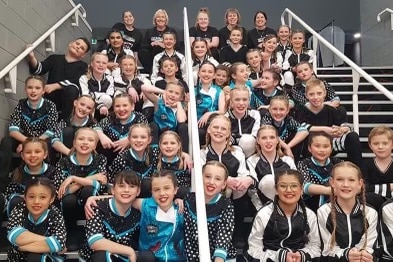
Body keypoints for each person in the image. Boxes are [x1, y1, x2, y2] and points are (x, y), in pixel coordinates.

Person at [201, 115, 256, 247]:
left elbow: (243, 173)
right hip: (210, 193)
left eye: (223, 129)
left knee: (239, 187)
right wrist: (225, 181)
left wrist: (245, 180)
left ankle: (237, 233)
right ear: (208, 129)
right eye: (215, 127)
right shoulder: (202, 153)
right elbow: (203, 176)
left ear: (228, 133)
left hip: (233, 194)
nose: (219, 131)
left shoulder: (237, 152)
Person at [79, 170, 154, 262]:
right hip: (93, 258)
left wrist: (177, 200)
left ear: (138, 191)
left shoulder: (137, 213)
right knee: (101, 256)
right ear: (113, 190)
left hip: (122, 258)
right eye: (121, 186)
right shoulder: (98, 207)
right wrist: (129, 251)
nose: (126, 190)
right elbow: (95, 242)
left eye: (132, 186)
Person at [247, 169, 321, 262]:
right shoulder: (264, 214)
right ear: (276, 190)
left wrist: (301, 255)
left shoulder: (309, 215)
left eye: (294, 186)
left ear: (301, 190)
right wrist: (280, 257)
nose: (289, 190)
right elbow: (253, 250)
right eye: (283, 186)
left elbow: (315, 246)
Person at [53, 127, 107, 250]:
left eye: (90, 140)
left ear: (95, 145)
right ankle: (71, 232)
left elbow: (99, 185)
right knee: (69, 199)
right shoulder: (63, 162)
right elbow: (62, 192)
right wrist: (91, 177)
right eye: (81, 139)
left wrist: (73, 179)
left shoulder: (100, 160)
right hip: (69, 208)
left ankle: (91, 232)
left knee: (89, 190)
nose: (85, 142)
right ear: (74, 142)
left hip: (91, 207)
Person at [0, 76, 58, 187]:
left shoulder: (50, 106)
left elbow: (50, 130)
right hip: (24, 138)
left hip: (43, 139)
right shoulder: (21, 105)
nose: (33, 91)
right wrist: (27, 142)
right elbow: (13, 130)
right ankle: (2, 180)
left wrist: (30, 144)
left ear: (43, 90)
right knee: (6, 141)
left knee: (47, 145)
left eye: (37, 88)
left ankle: (45, 181)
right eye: (30, 87)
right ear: (25, 89)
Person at [317, 161, 378, 262]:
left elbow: (368, 246)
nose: (346, 184)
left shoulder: (370, 212)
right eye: (340, 179)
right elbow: (327, 249)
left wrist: (363, 254)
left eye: (351, 180)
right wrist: (346, 254)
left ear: (360, 184)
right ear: (332, 182)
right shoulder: (323, 211)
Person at [184, 161, 237, 261]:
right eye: (207, 176)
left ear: (223, 184)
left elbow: (224, 237)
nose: (211, 182)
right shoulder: (188, 200)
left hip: (221, 257)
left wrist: (218, 259)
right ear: (200, 178)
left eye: (217, 179)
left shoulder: (226, 205)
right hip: (192, 256)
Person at [302, 78, 362, 167]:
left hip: (330, 143)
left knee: (352, 136)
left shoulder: (332, 110)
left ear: (324, 94)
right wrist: (324, 129)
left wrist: (342, 129)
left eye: (319, 93)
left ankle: (357, 171)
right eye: (311, 94)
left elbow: (346, 125)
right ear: (306, 96)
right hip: (310, 144)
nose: (316, 97)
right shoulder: (302, 110)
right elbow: (300, 126)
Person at [27, 37, 90, 120]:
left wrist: (57, 85)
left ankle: (64, 122)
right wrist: (31, 57)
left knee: (72, 89)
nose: (78, 47)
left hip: (67, 102)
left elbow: (76, 81)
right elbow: (39, 69)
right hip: (50, 97)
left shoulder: (83, 66)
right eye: (77, 44)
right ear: (70, 43)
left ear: (83, 55)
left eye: (82, 48)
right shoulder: (54, 58)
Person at [7, 177, 66, 261]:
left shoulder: (55, 214)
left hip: (49, 257)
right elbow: (13, 235)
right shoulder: (19, 209)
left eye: (42, 197)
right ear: (25, 197)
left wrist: (22, 247)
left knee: (34, 257)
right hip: (18, 258)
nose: (36, 201)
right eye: (31, 197)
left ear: (51, 199)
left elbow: (58, 244)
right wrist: (49, 241)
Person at [247, 125, 297, 209]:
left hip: (286, 204)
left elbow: (296, 184)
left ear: (277, 140)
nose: (268, 141)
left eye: (272, 137)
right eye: (264, 138)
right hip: (264, 206)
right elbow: (252, 190)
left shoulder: (288, 161)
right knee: (269, 180)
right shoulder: (251, 161)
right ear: (258, 141)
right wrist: (261, 210)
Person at [94, 93, 148, 167]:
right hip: (110, 159)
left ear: (132, 106)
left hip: (131, 162)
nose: (121, 109)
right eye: (117, 106)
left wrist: (129, 140)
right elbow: (95, 127)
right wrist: (101, 136)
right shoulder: (110, 118)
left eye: (125, 105)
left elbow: (145, 132)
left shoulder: (139, 117)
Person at [4, 137, 55, 216]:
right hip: (23, 209)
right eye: (28, 152)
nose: (33, 155)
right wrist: (28, 198)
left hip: (47, 210)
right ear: (22, 155)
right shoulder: (17, 173)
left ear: (45, 154)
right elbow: (10, 194)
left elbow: (57, 193)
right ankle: (18, 227)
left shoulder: (53, 172)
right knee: (16, 201)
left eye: (37, 152)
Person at [108, 123, 159, 198]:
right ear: (129, 139)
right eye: (134, 137)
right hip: (127, 196)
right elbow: (112, 185)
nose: (138, 140)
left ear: (149, 140)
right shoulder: (121, 159)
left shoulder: (155, 152)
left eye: (143, 137)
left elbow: (172, 152)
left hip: (150, 196)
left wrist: (183, 155)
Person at [297, 132, 342, 212]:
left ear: (331, 149)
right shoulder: (303, 163)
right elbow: (304, 186)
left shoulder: (338, 163)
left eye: (326, 146)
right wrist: (330, 191)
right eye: (317, 146)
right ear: (309, 148)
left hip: (335, 206)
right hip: (309, 206)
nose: (322, 150)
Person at [141, 81, 189, 151]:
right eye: (170, 91)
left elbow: (181, 120)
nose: (173, 95)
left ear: (181, 98)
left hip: (174, 135)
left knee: (183, 127)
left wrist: (178, 104)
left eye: (177, 93)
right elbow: (143, 87)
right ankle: (154, 152)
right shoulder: (158, 102)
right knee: (152, 125)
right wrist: (163, 92)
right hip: (159, 133)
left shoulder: (181, 107)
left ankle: (184, 153)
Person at [261, 95, 309, 162]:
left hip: (284, 147)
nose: (278, 112)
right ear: (269, 110)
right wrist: (285, 147)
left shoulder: (288, 119)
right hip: (269, 148)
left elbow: (304, 130)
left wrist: (288, 147)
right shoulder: (266, 117)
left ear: (287, 111)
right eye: (274, 109)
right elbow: (269, 133)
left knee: (298, 135)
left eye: (282, 109)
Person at [362, 125, 393, 211]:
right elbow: (365, 188)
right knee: (367, 197)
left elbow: (370, 188)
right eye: (376, 143)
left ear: (392, 144)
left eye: (385, 143)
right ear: (370, 146)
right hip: (374, 203)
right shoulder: (366, 165)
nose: (380, 147)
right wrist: (389, 187)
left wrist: (375, 188)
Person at [195, 62, 226, 145]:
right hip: (197, 124)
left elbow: (222, 111)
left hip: (213, 122)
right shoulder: (193, 91)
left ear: (214, 75)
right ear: (199, 73)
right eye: (203, 71)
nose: (206, 74)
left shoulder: (219, 91)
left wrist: (208, 114)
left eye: (210, 72)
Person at [139, 9, 178, 74]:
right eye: (158, 17)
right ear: (155, 19)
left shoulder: (171, 31)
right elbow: (143, 46)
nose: (160, 19)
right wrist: (152, 44)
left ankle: (155, 71)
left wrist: (164, 46)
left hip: (165, 55)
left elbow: (177, 46)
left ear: (166, 19)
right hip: (151, 57)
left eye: (163, 17)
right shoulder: (150, 31)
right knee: (142, 52)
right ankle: (150, 71)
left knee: (159, 48)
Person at [225, 87, 261, 158]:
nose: (241, 103)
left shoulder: (255, 114)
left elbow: (255, 136)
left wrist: (235, 138)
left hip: (252, 153)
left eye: (244, 100)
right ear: (231, 102)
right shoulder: (225, 118)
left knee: (247, 140)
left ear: (249, 101)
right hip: (233, 153)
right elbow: (227, 140)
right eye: (237, 100)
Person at [79, 52, 114, 117]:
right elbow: (86, 96)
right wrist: (100, 105)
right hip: (89, 108)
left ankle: (104, 121)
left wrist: (94, 95)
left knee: (107, 99)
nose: (101, 65)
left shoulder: (110, 78)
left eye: (104, 63)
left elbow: (110, 96)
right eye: (98, 62)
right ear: (92, 63)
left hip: (105, 108)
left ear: (106, 65)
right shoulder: (84, 78)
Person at [157, 131, 191, 197]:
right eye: (165, 143)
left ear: (179, 145)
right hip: (160, 195)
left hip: (181, 198)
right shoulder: (155, 159)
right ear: (160, 146)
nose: (169, 146)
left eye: (172, 143)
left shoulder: (185, 162)